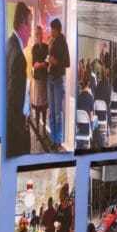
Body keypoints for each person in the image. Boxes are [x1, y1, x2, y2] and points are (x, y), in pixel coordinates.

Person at [6, 2, 33, 156]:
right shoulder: (18, 57)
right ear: (23, 25)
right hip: (14, 133)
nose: (30, 34)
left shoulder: (9, 45)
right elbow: (13, 103)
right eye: (29, 27)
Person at [47, 18, 70, 149]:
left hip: (58, 79)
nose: (51, 31)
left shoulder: (62, 41)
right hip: (50, 77)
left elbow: (67, 62)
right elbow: (49, 57)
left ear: (56, 29)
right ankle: (52, 138)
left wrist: (56, 62)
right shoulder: (53, 41)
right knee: (51, 111)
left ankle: (57, 140)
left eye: (52, 29)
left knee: (57, 112)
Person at [30, 25, 49, 129]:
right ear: (36, 35)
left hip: (45, 79)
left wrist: (41, 64)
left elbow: (47, 62)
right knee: (37, 105)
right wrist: (42, 64)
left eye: (41, 34)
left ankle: (44, 126)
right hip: (38, 79)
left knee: (44, 105)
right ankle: (37, 127)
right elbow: (34, 64)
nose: (41, 36)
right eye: (39, 34)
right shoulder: (34, 48)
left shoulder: (46, 47)